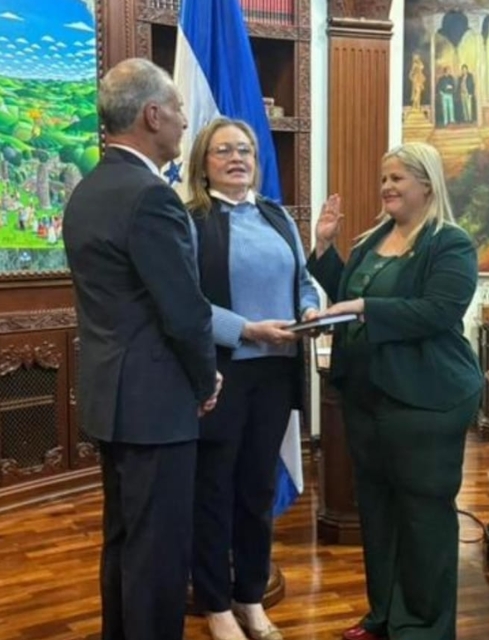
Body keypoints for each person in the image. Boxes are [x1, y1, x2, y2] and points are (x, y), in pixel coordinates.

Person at [62, 57, 220, 640]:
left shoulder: (88, 190)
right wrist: (205, 380)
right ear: (152, 115)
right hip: (156, 406)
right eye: (177, 108)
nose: (184, 120)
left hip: (111, 399)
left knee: (125, 544)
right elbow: (184, 310)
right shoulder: (151, 197)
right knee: (158, 558)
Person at [307, 142, 482, 640]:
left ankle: (423, 626)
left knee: (423, 516)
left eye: (397, 178)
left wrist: (365, 309)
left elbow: (438, 311)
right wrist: (324, 249)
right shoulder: (372, 239)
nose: (386, 186)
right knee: (378, 511)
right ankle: (384, 615)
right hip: (366, 398)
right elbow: (349, 295)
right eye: (384, 178)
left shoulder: (449, 243)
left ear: (426, 184)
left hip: (426, 400)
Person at [184, 117, 321, 640]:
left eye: (245, 150)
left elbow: (302, 280)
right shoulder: (193, 220)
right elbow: (186, 303)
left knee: (257, 490)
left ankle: (249, 597)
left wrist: (309, 311)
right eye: (224, 150)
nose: (237, 158)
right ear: (204, 163)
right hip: (223, 374)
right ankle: (216, 605)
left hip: (276, 373)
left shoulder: (276, 215)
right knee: (213, 491)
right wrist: (246, 329)